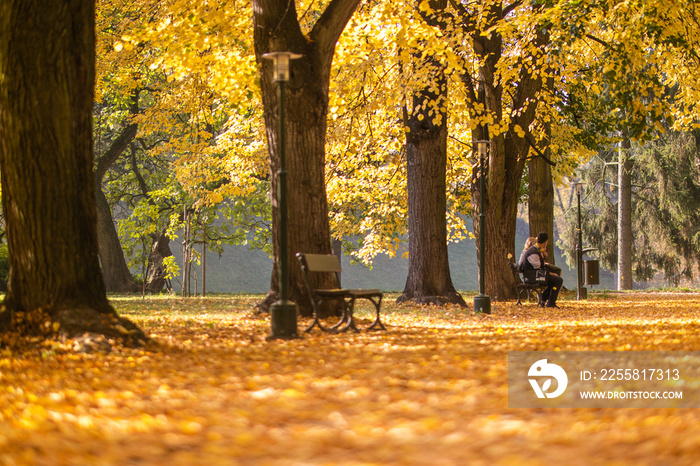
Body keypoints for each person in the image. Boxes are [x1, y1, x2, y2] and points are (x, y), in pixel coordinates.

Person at [518, 232, 564, 308]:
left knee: (555, 279)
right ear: (546, 242)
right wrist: (550, 274)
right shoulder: (533, 252)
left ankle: (544, 298)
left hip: (533, 275)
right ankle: (550, 302)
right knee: (558, 280)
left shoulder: (535, 250)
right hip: (532, 277)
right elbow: (538, 267)